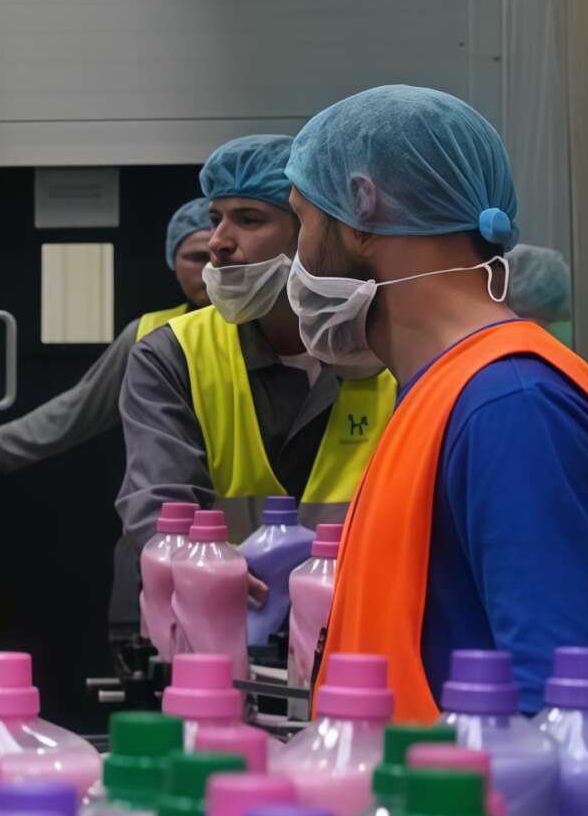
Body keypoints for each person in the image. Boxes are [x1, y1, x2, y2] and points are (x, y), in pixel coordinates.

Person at [287, 84, 588, 717]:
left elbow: (568, 711)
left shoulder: (512, 405)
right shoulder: (444, 392)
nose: (296, 259)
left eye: (303, 221)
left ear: (360, 207)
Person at [116, 135, 398, 585]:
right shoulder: (174, 352)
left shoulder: (391, 350)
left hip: (355, 611)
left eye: (248, 219)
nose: (219, 242)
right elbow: (160, 507)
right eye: (215, 219)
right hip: (216, 610)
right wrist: (204, 573)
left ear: (314, 231)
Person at [0, 195, 214, 468]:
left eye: (221, 255)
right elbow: (80, 406)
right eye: (196, 257)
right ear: (172, 262)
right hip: (168, 488)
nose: (209, 269)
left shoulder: (244, 329)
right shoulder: (149, 333)